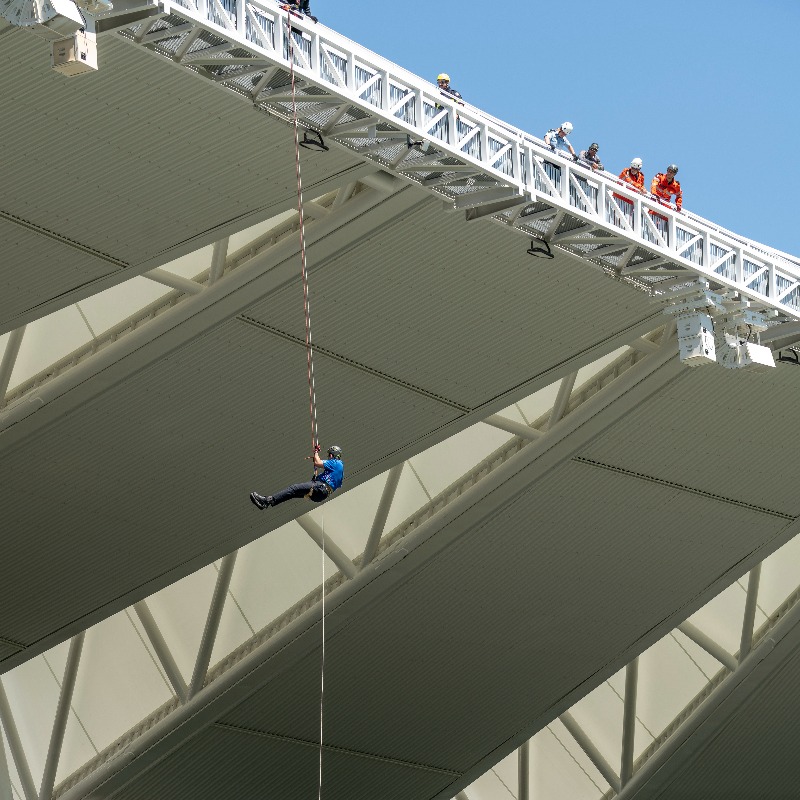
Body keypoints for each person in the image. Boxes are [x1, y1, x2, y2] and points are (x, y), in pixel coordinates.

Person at [250, 445, 343, 508]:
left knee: (294, 488)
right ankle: (269, 502)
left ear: (333, 454)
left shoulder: (336, 463)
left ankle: (266, 501)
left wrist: (316, 452)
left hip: (320, 488)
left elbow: (317, 462)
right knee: (293, 493)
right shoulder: (339, 470)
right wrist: (318, 479)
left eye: (329, 455)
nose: (329, 457)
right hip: (321, 494)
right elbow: (336, 484)